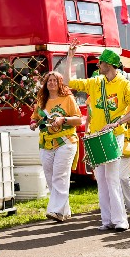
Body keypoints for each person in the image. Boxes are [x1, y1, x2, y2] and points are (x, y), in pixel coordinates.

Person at [64, 40, 130, 232]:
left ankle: (121, 220)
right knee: (101, 179)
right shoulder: (95, 82)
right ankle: (107, 220)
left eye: (101, 63)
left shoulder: (125, 85)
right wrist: (70, 57)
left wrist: (118, 122)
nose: (98, 65)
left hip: (114, 136)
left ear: (110, 65)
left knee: (112, 178)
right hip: (96, 136)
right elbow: (68, 83)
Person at [30, 71, 82, 222]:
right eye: (49, 80)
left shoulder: (68, 99)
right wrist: (33, 123)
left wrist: (63, 119)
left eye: (55, 80)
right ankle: (63, 210)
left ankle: (55, 210)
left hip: (65, 141)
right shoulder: (41, 101)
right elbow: (34, 118)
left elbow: (78, 120)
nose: (51, 83)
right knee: (50, 176)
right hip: (46, 143)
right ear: (45, 84)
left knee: (60, 175)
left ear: (60, 83)